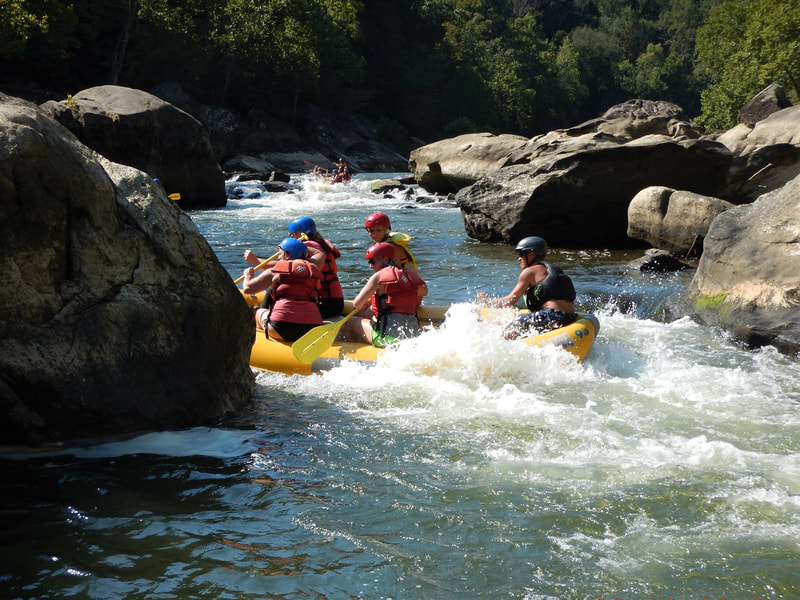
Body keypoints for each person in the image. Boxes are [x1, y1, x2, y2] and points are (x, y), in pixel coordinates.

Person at [478, 236, 576, 337]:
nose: (519, 258)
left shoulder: (529, 272)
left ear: (531, 254)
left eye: (521, 254)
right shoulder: (554, 270)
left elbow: (509, 301)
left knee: (504, 326)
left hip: (551, 315)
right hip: (569, 317)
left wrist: (488, 301)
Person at [339, 243, 428, 347]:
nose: (370, 266)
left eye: (373, 261)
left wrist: (364, 304)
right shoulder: (410, 275)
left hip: (387, 339)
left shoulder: (379, 276)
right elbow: (424, 291)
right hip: (412, 336)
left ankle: (348, 354)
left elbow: (357, 304)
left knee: (350, 322)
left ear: (385, 259)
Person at [242, 238, 323, 342]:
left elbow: (248, 289)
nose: (279, 257)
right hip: (313, 329)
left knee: (259, 312)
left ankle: (262, 342)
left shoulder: (275, 271)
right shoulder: (313, 270)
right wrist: (299, 247)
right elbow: (318, 252)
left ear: (288, 255)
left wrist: (247, 276)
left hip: (281, 328)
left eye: (280, 254)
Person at [287, 216, 344, 319]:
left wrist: (256, 261)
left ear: (299, 234)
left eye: (291, 235)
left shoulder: (306, 246)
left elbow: (285, 267)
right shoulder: (322, 243)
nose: (290, 238)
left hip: (323, 303)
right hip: (336, 300)